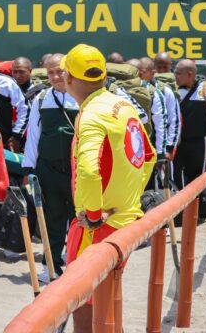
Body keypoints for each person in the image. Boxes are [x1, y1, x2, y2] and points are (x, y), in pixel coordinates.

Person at [61, 44, 154, 332]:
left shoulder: (90, 115)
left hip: (98, 225)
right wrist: (129, 200)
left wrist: (92, 213)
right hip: (125, 217)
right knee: (108, 297)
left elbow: (89, 169)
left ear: (70, 79)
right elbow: (148, 155)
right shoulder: (122, 104)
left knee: (83, 299)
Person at [23, 53, 79, 282]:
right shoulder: (41, 99)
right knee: (52, 218)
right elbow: (33, 136)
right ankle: (50, 266)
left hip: (78, 170)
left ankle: (78, 265)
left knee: (79, 219)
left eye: (60, 71)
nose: (56, 77)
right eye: (51, 73)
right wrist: (29, 170)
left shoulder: (83, 98)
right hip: (49, 168)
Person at [173, 59, 206, 191]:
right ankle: (179, 211)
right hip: (176, 145)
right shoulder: (172, 90)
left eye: (178, 73)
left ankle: (195, 210)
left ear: (189, 74)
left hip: (199, 144)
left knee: (196, 180)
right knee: (174, 179)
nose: (175, 76)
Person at [128, 58, 169, 175]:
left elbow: (161, 124)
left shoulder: (154, 92)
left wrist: (161, 154)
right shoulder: (114, 90)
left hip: (146, 153)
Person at [139, 57, 180, 165]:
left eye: (142, 73)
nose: (139, 76)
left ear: (152, 73)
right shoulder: (131, 91)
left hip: (161, 148)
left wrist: (169, 149)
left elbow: (174, 121)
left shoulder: (165, 90)